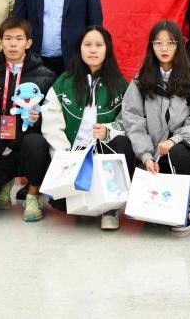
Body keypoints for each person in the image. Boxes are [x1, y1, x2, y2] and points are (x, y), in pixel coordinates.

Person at [40, 25, 135, 231]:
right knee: (62, 204)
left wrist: (109, 131)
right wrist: (64, 155)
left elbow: (129, 120)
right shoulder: (64, 81)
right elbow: (50, 119)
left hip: (102, 155)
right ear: (79, 49)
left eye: (99, 45)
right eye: (88, 45)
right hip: (71, 156)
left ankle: (111, 209)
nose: (93, 50)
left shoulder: (120, 84)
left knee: (123, 142)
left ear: (107, 49)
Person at [121, 20, 190, 233]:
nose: (164, 48)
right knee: (153, 218)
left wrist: (173, 140)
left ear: (179, 45)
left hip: (184, 150)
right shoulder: (141, 80)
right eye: (158, 43)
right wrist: (146, 156)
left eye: (170, 43)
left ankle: (185, 204)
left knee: (179, 154)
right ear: (151, 46)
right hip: (152, 153)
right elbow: (133, 120)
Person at [0, 18, 57, 222]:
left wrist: (39, 118)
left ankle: (33, 195)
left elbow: (54, 118)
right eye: (8, 38)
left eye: (19, 39)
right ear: (0, 42)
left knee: (37, 143)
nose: (13, 44)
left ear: (28, 42)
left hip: (28, 146)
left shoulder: (46, 76)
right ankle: (4, 183)